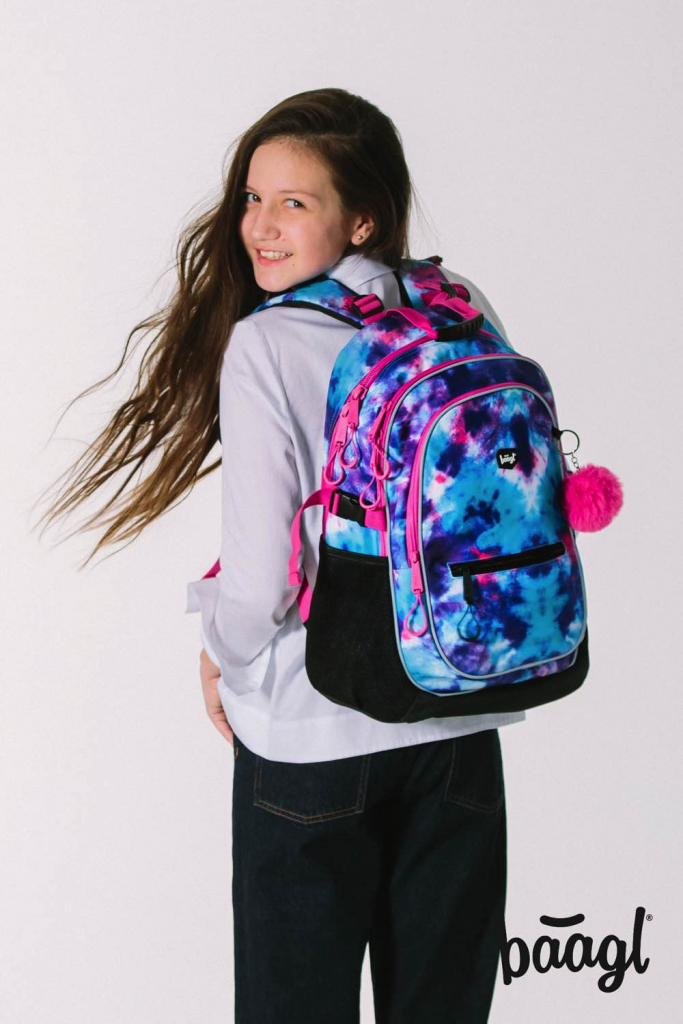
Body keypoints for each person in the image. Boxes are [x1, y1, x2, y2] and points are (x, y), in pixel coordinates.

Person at [38, 87, 523, 1023]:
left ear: (362, 218)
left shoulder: (267, 343)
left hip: (313, 732)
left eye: (293, 202)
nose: (259, 226)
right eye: (252, 198)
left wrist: (222, 653)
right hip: (459, 722)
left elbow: (262, 581)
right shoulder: (461, 307)